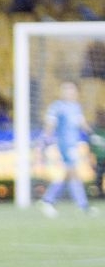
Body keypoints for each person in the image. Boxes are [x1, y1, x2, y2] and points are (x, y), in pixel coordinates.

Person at [38, 81, 95, 217]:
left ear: (76, 92)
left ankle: (49, 200)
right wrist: (46, 137)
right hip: (64, 145)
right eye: (66, 89)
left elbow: (82, 124)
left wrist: (91, 134)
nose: (69, 92)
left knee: (69, 174)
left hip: (74, 144)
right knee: (73, 172)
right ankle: (81, 205)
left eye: (71, 89)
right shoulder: (57, 107)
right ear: (61, 92)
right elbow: (50, 124)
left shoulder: (76, 107)